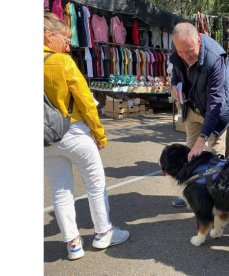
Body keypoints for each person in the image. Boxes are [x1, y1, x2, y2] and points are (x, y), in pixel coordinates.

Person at [44, 12, 129, 260]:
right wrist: (100, 134)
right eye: (66, 37)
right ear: (49, 35)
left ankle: (73, 245)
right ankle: (104, 233)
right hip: (73, 130)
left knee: (60, 189)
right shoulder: (62, 62)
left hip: (44, 137)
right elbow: (86, 102)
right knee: (95, 183)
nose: (69, 43)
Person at [169, 22, 229, 207]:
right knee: (191, 154)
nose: (186, 57)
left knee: (213, 156)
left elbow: (215, 103)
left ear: (198, 40)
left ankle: (216, 199)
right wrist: (174, 86)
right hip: (192, 108)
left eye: (189, 51)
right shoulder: (180, 52)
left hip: (215, 113)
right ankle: (192, 191)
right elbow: (176, 73)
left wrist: (202, 139)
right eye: (180, 52)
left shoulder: (215, 58)